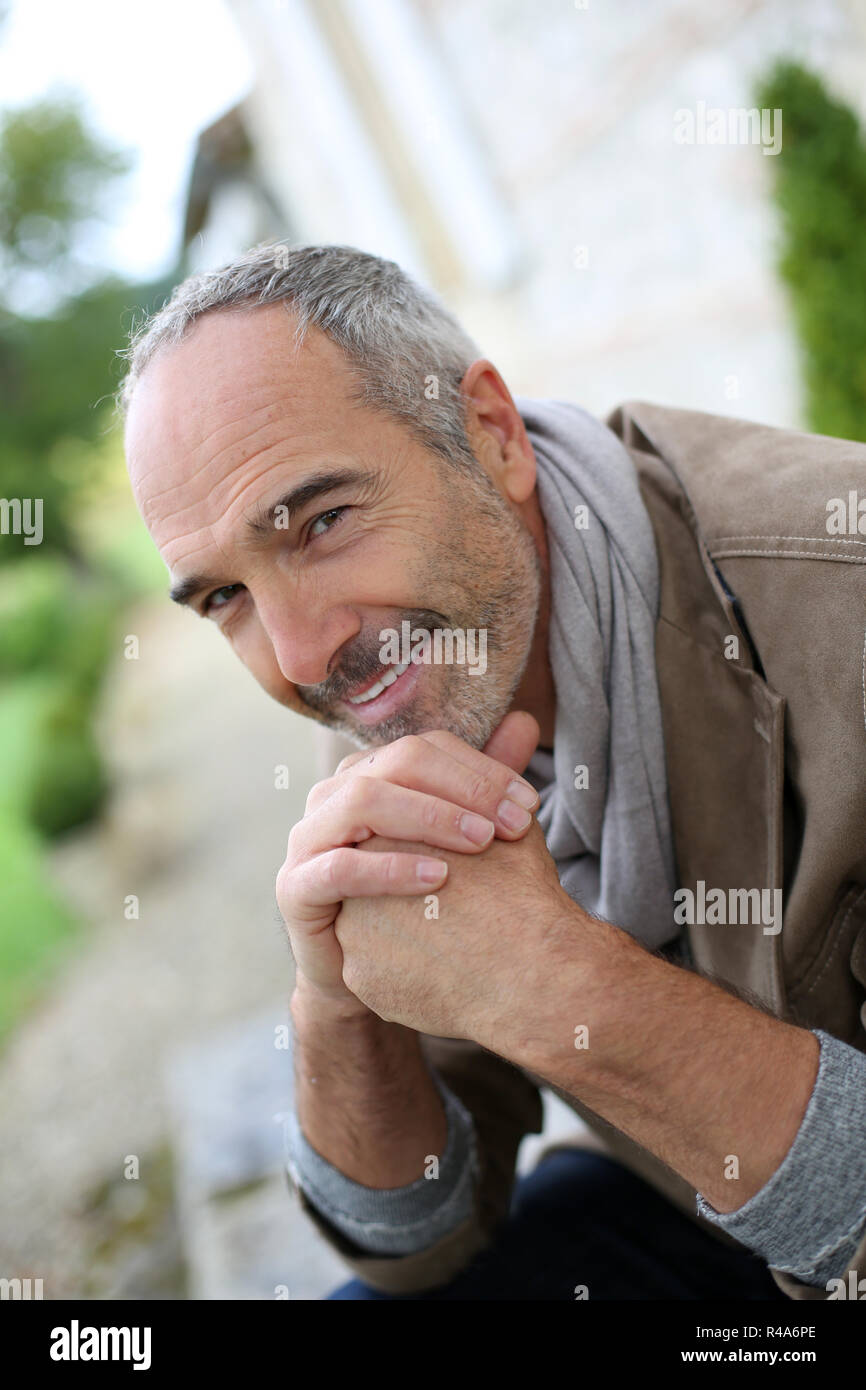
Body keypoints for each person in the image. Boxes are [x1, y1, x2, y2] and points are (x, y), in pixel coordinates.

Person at [120, 242, 866, 1301]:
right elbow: (420, 1238)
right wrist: (338, 1007)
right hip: (689, 1207)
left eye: (321, 522)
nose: (299, 657)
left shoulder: (841, 602)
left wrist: (557, 982)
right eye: (223, 597)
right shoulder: (404, 678)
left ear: (491, 433)